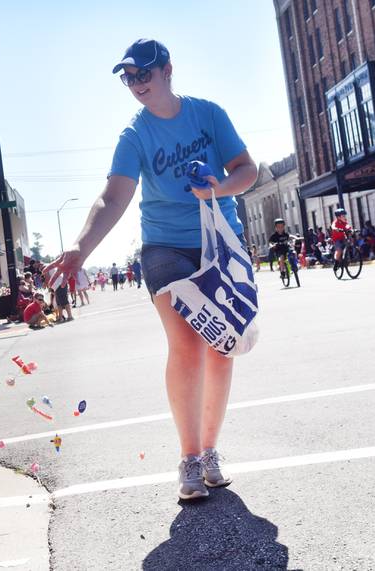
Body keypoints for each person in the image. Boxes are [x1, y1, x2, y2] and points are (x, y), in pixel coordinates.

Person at [45, 38, 257, 501]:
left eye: (144, 74)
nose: (137, 84)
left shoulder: (208, 114)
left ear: (167, 70)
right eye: (129, 77)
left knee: (222, 348)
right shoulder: (134, 135)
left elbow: (248, 170)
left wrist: (218, 187)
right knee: (187, 345)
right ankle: (189, 458)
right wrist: (80, 248)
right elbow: (113, 196)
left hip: (219, 241)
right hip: (164, 247)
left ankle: (210, 450)